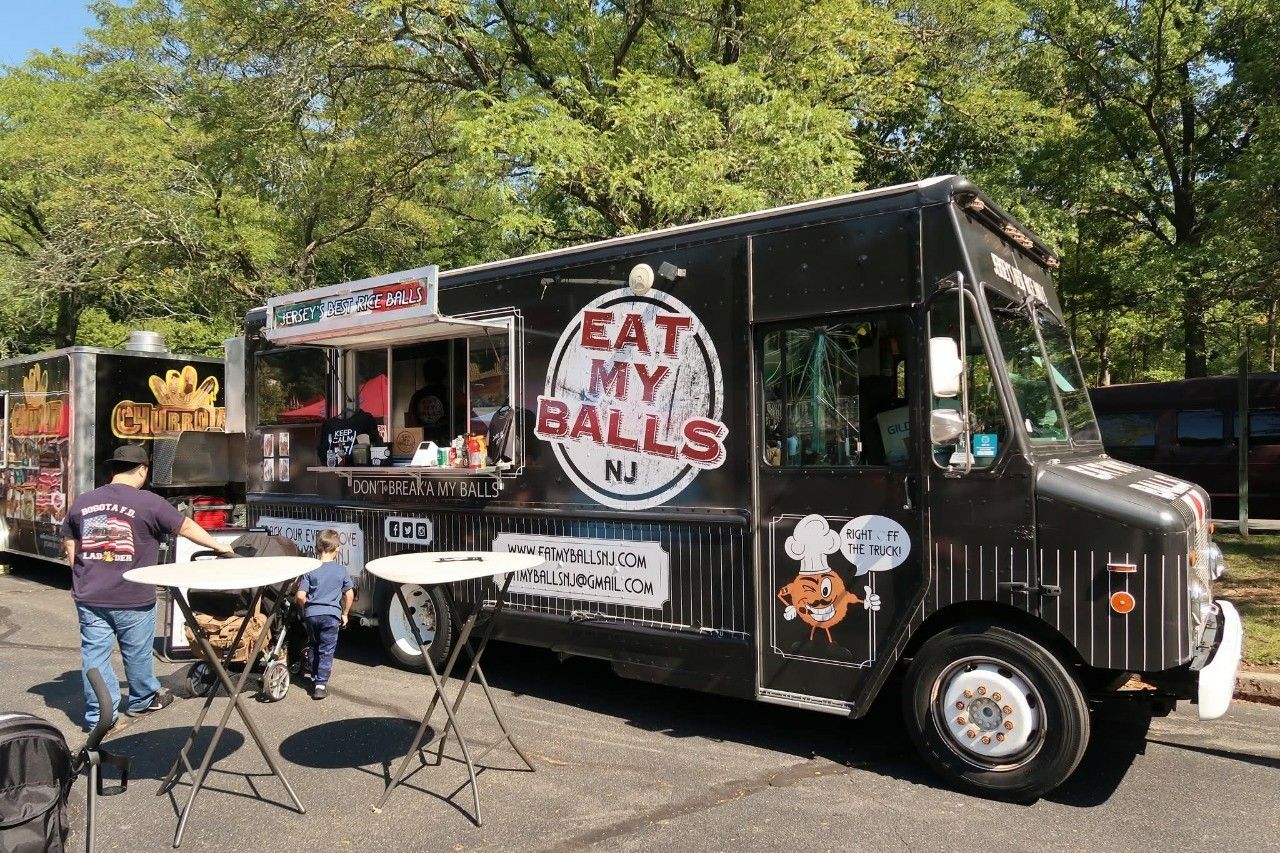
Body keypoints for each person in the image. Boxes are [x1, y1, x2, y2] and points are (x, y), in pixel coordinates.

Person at [60, 444, 235, 731]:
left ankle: (99, 718)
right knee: (137, 652)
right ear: (142, 470)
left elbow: (70, 542)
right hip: (132, 596)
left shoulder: (84, 501)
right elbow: (186, 527)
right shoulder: (149, 502)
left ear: (113, 470)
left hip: (90, 595)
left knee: (94, 655)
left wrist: (81, 572)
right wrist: (219, 546)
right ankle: (142, 699)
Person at [295, 529, 353, 699]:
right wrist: (346, 614)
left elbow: (300, 596)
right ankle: (320, 685)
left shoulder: (310, 569)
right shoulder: (341, 570)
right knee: (326, 649)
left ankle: (313, 676)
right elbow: (349, 595)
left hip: (312, 614)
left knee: (314, 644)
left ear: (316, 548)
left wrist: (307, 609)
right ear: (337, 550)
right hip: (331, 615)